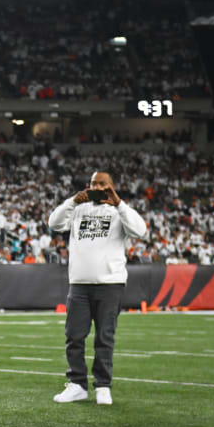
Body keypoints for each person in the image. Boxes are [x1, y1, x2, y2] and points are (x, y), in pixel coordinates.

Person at [47, 171, 147, 406]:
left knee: (104, 337)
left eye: (103, 184)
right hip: (79, 283)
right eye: (94, 183)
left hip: (109, 283)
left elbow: (140, 231)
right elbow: (54, 223)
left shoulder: (119, 211)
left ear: (111, 187)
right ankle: (77, 384)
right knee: (74, 336)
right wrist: (73, 200)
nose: (97, 187)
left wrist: (119, 203)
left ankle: (103, 386)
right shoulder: (78, 209)